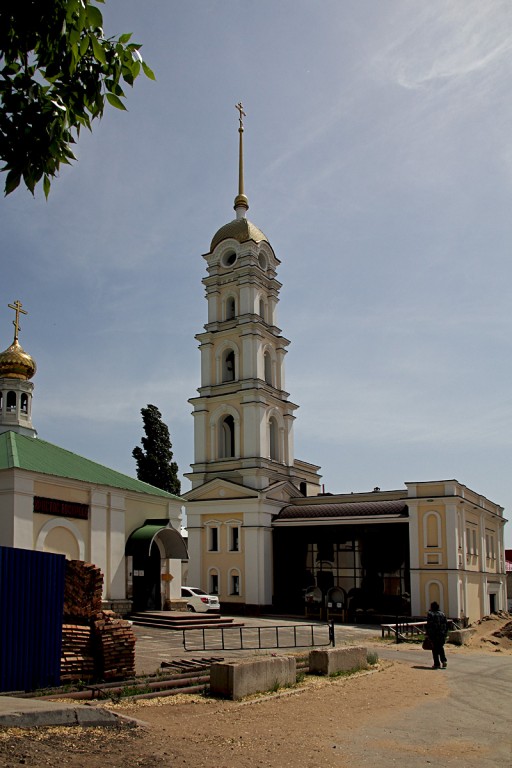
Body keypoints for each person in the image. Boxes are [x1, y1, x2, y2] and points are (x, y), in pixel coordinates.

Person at [426, 601, 448, 669]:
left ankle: (437, 663)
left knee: (434, 649)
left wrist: (428, 634)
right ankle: (444, 660)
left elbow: (429, 625)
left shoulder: (430, 614)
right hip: (442, 634)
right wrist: (445, 633)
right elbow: (446, 625)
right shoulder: (442, 614)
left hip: (434, 634)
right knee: (440, 647)